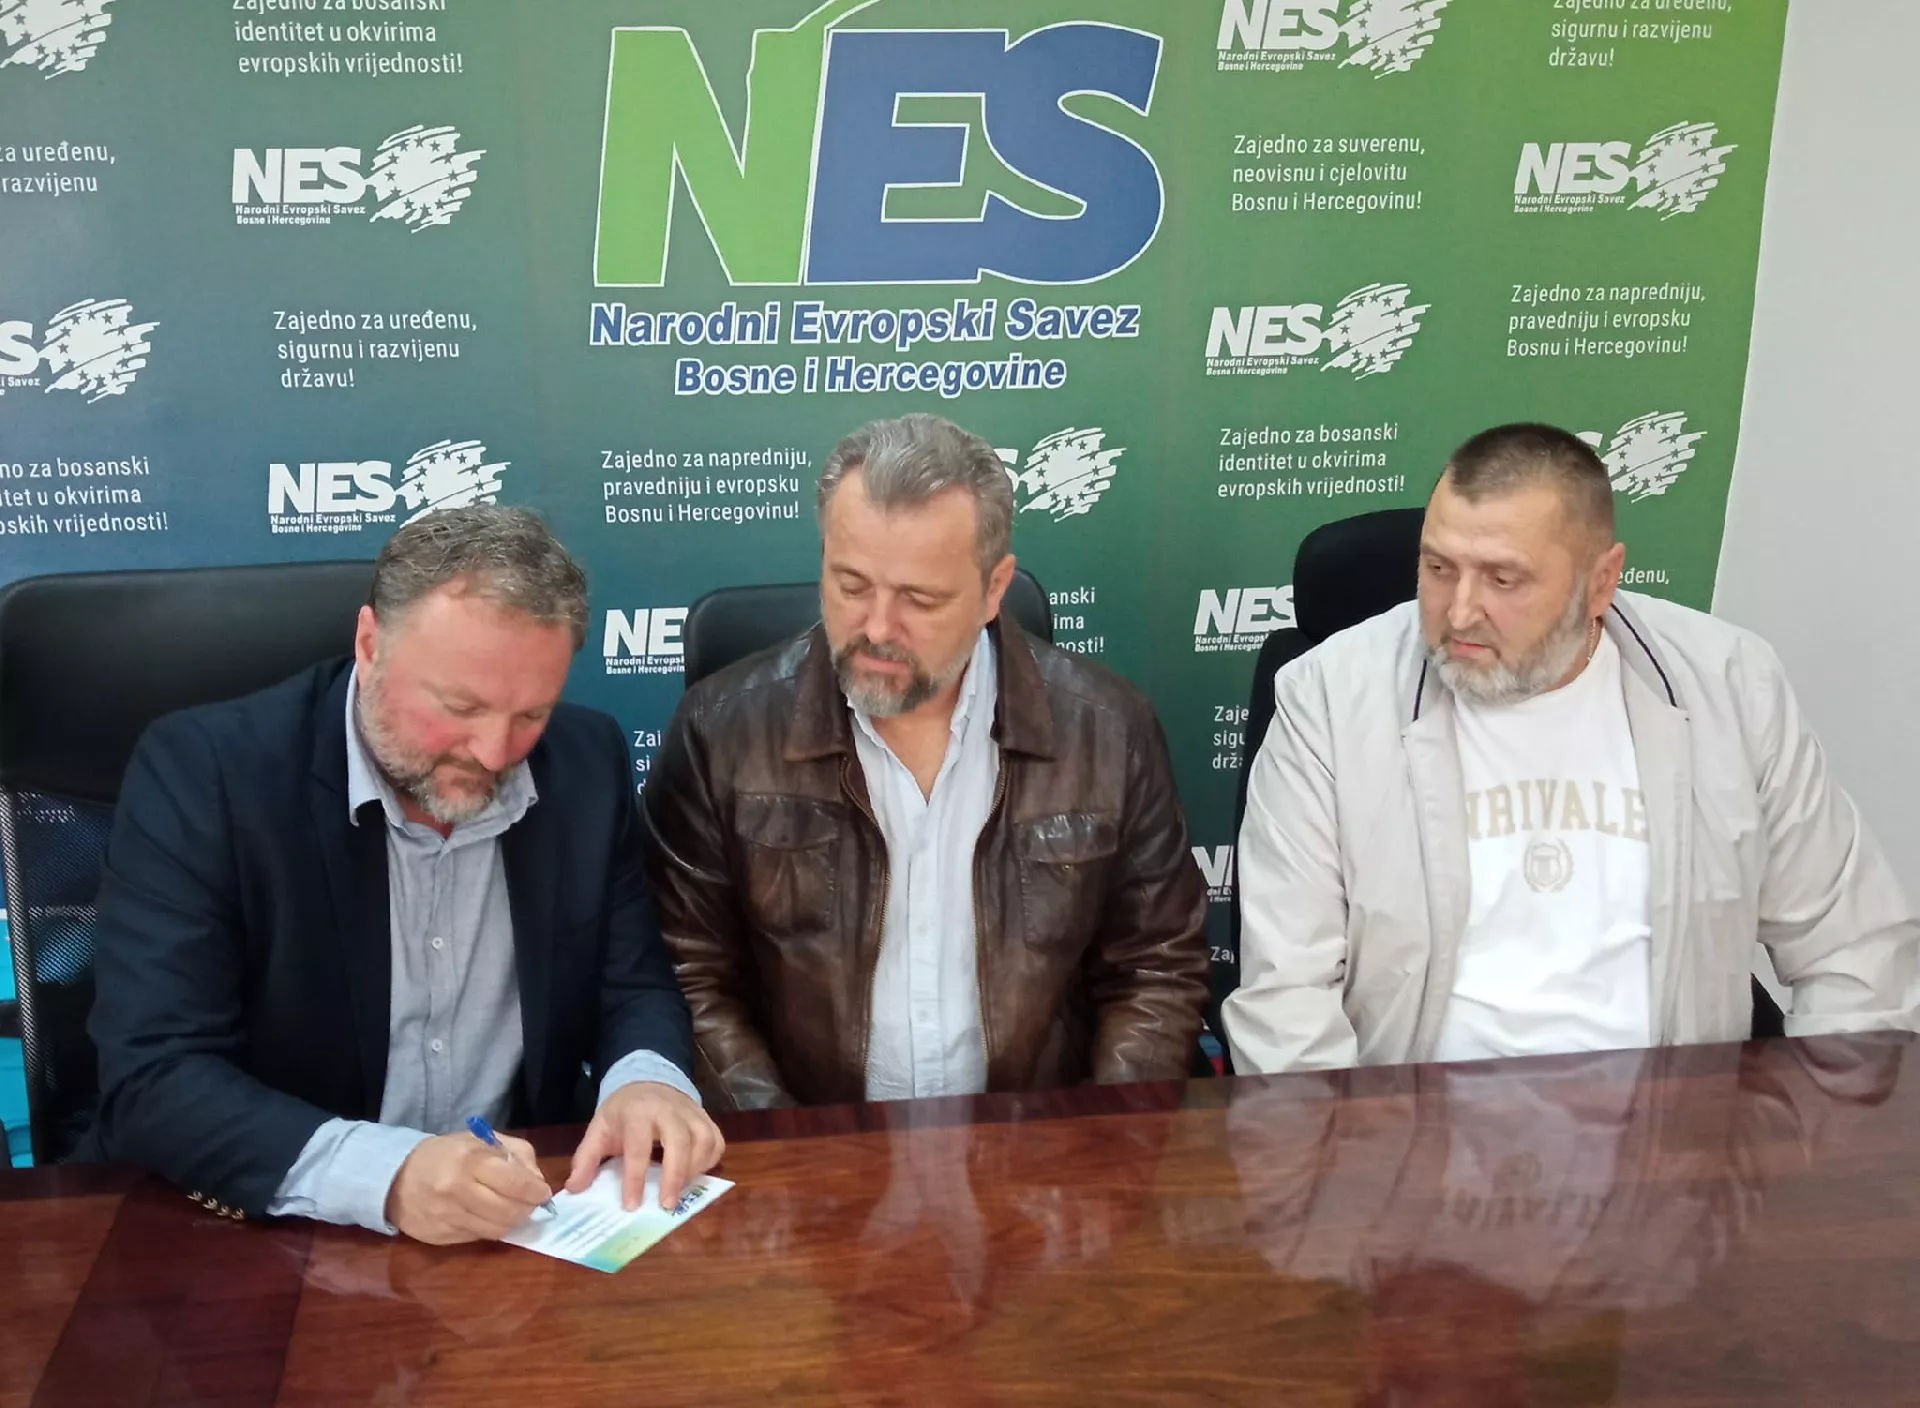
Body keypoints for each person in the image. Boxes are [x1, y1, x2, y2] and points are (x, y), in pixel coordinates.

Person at [83, 505, 723, 1241]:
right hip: (262, 1227)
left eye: (530, 714)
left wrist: (646, 1080)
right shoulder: (205, 776)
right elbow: (155, 1076)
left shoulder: (585, 763)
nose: (494, 752)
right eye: (460, 706)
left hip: (517, 1217)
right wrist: (390, 1176)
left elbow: (631, 983)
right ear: (370, 645)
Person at [1225, 422, 1919, 1075]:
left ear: (1600, 583)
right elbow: (1288, 1000)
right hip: (1412, 1131)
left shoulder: (1731, 685)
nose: (1459, 611)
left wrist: (1824, 1129)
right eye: (1438, 568)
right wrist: (1351, 1155)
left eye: (1503, 579)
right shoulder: (1330, 697)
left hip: (1673, 1127)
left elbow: (1856, 954)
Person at [645, 412, 1208, 1108]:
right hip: (807, 1140)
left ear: (994, 589)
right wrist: (791, 1148)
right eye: (851, 586)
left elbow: (1156, 969)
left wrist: (1095, 1145)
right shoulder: (721, 730)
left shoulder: (1109, 730)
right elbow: (690, 976)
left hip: (1039, 1143)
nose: (878, 628)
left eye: (920, 598)